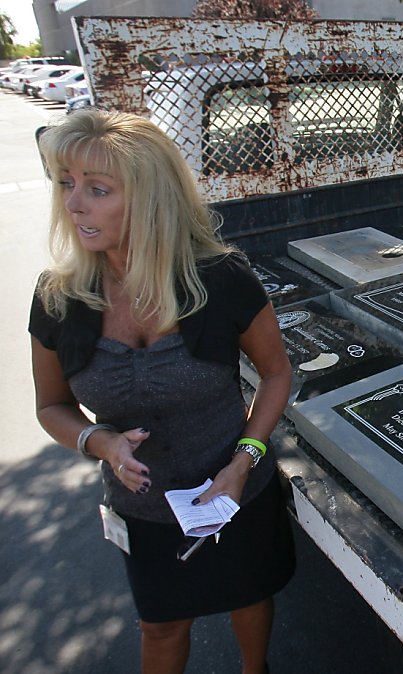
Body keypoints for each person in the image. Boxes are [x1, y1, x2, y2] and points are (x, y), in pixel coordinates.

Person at [29, 109, 295, 674]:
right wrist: (100, 442)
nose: (74, 204)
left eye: (97, 189)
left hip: (235, 493)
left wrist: (244, 462)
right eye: (66, 184)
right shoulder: (59, 297)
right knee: (160, 623)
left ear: (150, 200)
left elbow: (276, 374)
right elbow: (51, 407)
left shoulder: (220, 278)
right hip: (143, 510)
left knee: (248, 597)